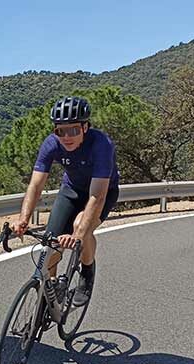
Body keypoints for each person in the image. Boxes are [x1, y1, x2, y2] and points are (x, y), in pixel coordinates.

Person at [12, 96, 120, 306]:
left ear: (85, 127)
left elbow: (97, 196)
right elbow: (35, 185)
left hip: (102, 192)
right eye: (61, 131)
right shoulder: (52, 143)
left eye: (73, 130)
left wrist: (76, 237)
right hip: (71, 190)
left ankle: (87, 271)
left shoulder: (101, 145)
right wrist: (23, 219)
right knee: (50, 245)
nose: (67, 137)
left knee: (81, 227)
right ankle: (51, 291)